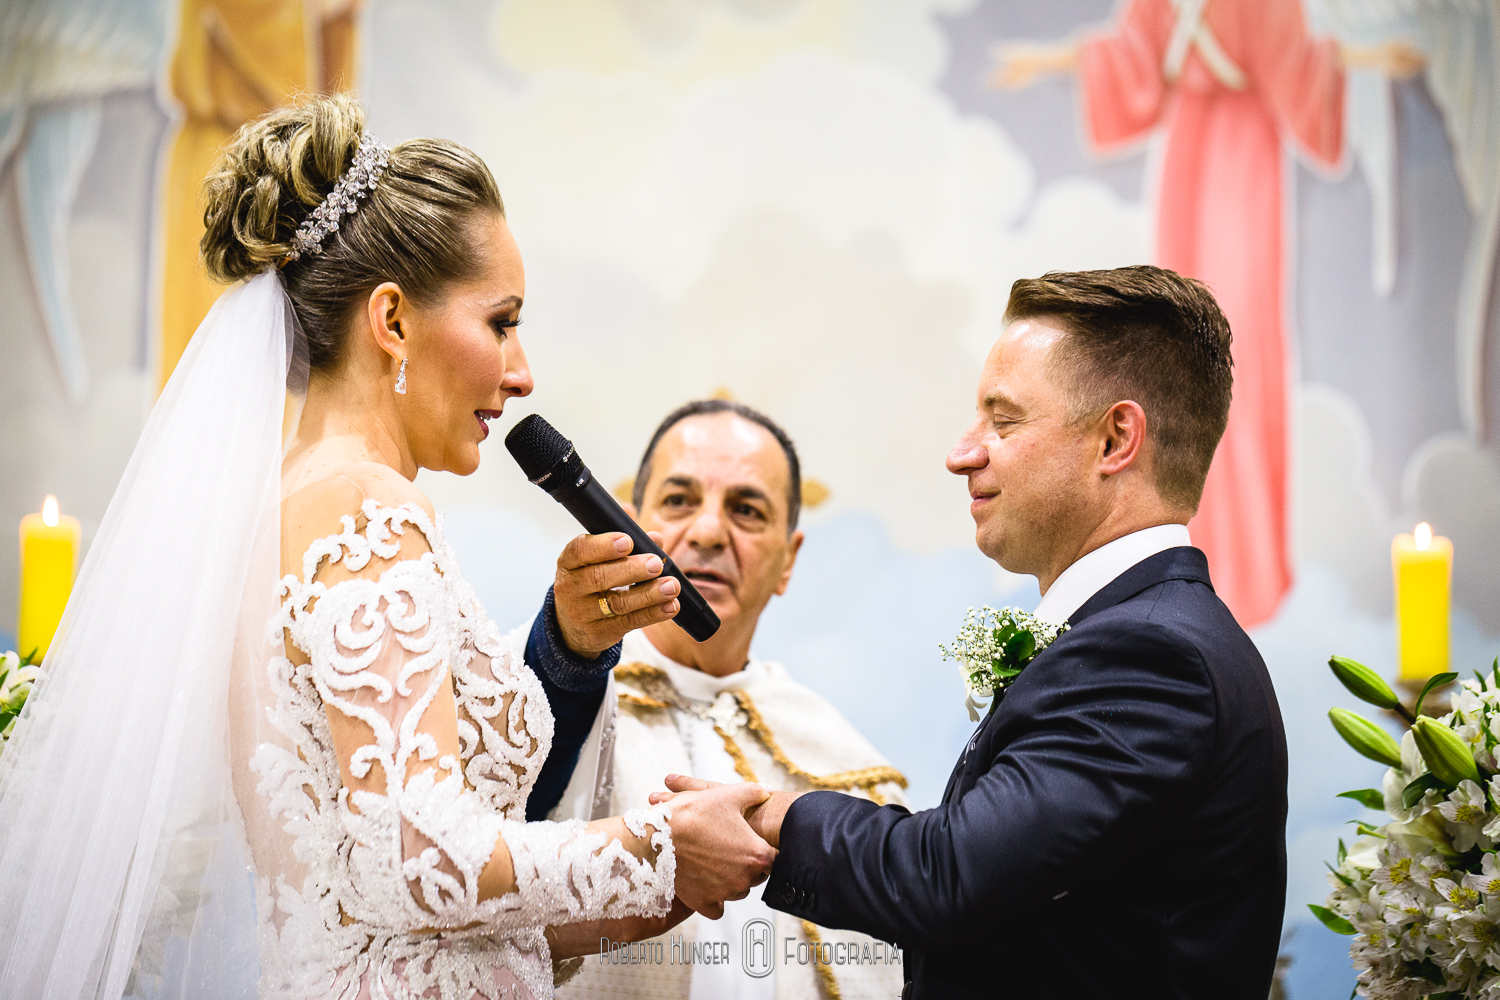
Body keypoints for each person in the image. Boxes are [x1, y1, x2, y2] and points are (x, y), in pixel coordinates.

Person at [0, 95, 774, 1000]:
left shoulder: (290, 506)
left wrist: (674, 881)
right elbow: (418, 860)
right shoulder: (366, 510)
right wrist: (659, 847)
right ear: (394, 320)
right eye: (502, 322)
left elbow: (411, 904)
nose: (521, 373)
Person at [659, 267, 1289, 999]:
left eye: (1005, 419)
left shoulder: (1153, 654)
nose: (964, 453)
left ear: (1116, 438)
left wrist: (772, 815)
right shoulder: (1150, 633)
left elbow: (955, 876)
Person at [989, 0, 1422, 628]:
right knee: (1174, 352)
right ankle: (1182, 545)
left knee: (1229, 346)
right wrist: (1048, 59)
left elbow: (1296, 63)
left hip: (1242, 158)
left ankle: (1249, 569)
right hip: (1188, 155)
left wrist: (1368, 57)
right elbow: (1133, 55)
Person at [552, 400, 908, 1000]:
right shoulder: (546, 698)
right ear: (628, 524)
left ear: (788, 560)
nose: (710, 532)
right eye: (678, 501)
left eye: (745, 510)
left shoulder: (847, 765)